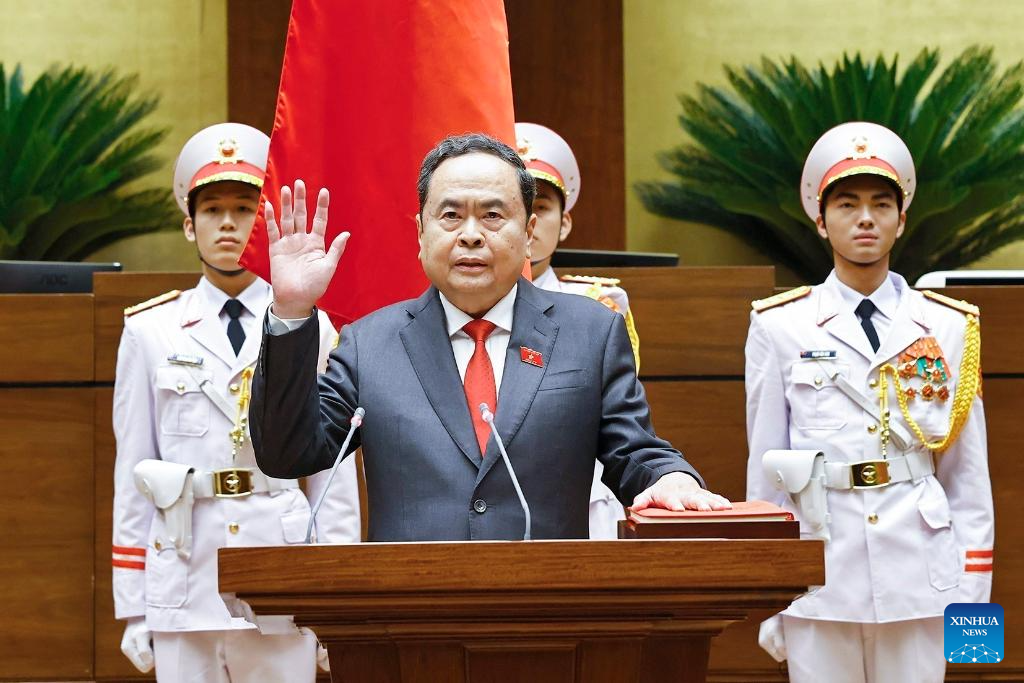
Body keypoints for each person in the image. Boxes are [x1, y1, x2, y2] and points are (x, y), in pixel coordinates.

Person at [250, 132, 730, 541]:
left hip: (549, 604)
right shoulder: (370, 344)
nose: (471, 235)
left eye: (493, 216)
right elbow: (287, 453)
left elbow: (633, 451)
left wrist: (671, 478)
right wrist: (291, 310)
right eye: (450, 216)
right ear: (420, 233)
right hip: (410, 608)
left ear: (529, 231)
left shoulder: (589, 333)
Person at [111, 123, 361, 682]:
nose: (228, 223)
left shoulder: (310, 326)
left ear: (266, 221)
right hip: (184, 565)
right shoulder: (151, 330)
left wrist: (338, 594)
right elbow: (133, 471)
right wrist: (133, 605)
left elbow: (332, 479)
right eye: (212, 210)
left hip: (281, 563)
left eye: (244, 209)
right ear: (188, 224)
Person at [745, 121, 993, 683]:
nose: (865, 218)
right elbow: (767, 470)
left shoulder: (950, 326)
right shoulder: (779, 325)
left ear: (901, 219)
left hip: (922, 571)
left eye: (882, 204)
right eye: (847, 204)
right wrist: (769, 589)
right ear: (820, 219)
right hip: (819, 573)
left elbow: (967, 476)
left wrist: (973, 599)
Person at [514, 122, 637, 539]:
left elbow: (620, 423)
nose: (528, 221)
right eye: (513, 206)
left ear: (564, 223)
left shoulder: (599, 306)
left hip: (581, 508)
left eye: (541, 207)